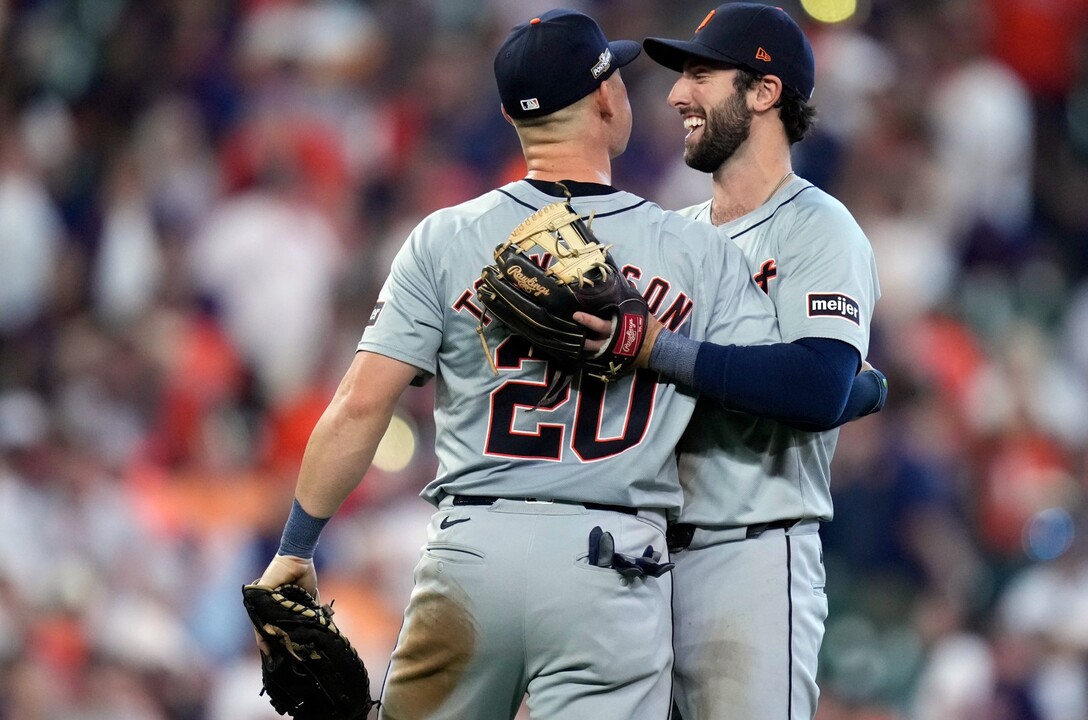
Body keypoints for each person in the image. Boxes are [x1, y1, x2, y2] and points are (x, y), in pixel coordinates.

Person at [250, 9, 786, 720]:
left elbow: (359, 406)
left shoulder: (443, 238)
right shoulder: (697, 253)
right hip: (612, 567)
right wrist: (858, 385)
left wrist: (295, 548)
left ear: (511, 115)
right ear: (604, 99)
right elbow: (772, 398)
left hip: (471, 558)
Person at [643, 5, 883, 718]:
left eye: (700, 74)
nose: (677, 95)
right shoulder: (667, 235)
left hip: (748, 560)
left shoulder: (819, 227)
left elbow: (811, 387)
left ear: (763, 91)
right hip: (642, 560)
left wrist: (660, 352)